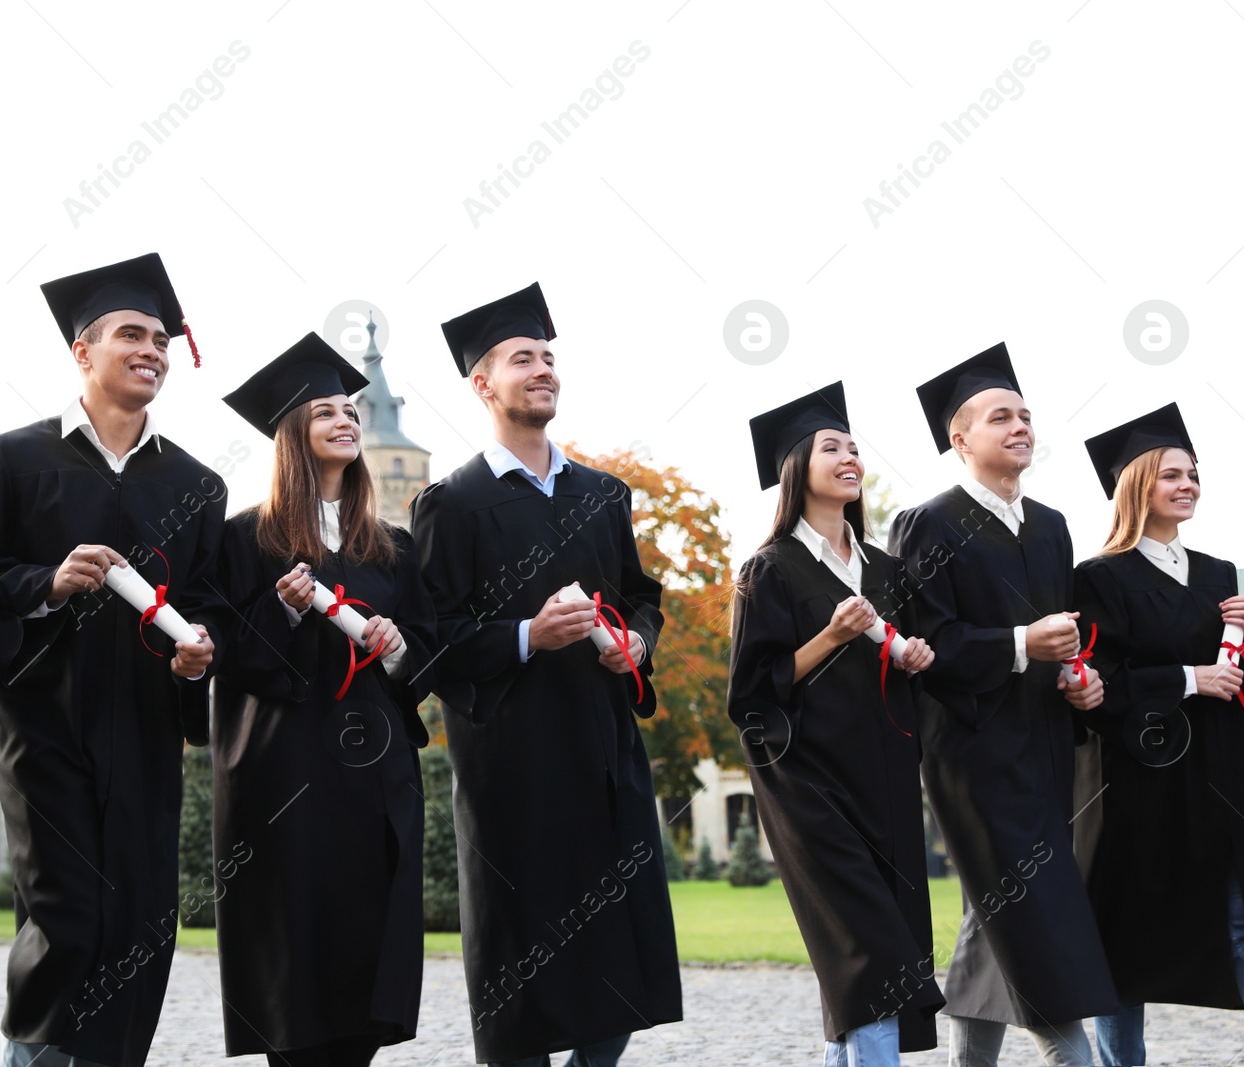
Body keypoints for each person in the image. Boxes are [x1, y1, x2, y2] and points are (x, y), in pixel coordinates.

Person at [0, 253, 227, 1067]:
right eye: (131, 334)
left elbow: (209, 607)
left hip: (143, 734)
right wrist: (48, 582)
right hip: (46, 729)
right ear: (82, 351)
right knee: (66, 921)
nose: (152, 349)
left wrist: (198, 660)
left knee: (140, 925)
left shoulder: (196, 486)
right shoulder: (10, 463)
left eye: (162, 339)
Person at [410, 283, 681, 1066]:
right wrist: (527, 634)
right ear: (481, 383)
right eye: (522, 358)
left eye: (549, 358)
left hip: (603, 755)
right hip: (511, 775)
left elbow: (641, 598)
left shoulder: (601, 495)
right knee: (521, 981)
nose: (542, 369)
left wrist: (632, 640)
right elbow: (432, 642)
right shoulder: (451, 505)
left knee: (620, 968)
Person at [211, 332, 439, 1066]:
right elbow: (231, 661)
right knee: (299, 994)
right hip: (287, 785)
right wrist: (280, 611)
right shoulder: (247, 539)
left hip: (376, 782)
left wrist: (396, 643)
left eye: (351, 410)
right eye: (325, 413)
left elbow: (427, 656)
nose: (347, 420)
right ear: (292, 436)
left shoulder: (393, 546)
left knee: (365, 984)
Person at [886, 343, 1116, 1067]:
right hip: (973, 754)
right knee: (1036, 917)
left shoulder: (1050, 524)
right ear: (961, 438)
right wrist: (1020, 643)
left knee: (995, 918)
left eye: (1024, 414)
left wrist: (1079, 679)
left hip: (1045, 747)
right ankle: (1072, 1055)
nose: (1020, 425)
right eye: (1000, 416)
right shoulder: (928, 524)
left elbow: (1069, 639)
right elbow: (926, 647)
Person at [1074, 403, 1244, 1067]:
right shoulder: (1098, 578)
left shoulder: (1220, 573)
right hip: (1137, 786)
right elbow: (1097, 687)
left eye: (1193, 475)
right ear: (1137, 486)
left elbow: (1241, 683)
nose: (1188, 485)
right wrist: (1188, 678)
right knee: (1120, 942)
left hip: (1222, 778)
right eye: (1171, 475)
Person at [729, 383, 945, 1065]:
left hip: (883, 779)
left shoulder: (885, 569)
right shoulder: (769, 571)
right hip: (810, 788)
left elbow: (899, 662)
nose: (849, 456)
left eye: (854, 447)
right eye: (832, 447)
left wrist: (912, 656)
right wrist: (828, 636)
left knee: (873, 963)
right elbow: (753, 696)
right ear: (798, 468)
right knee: (872, 956)